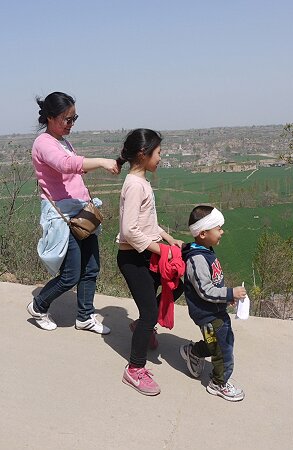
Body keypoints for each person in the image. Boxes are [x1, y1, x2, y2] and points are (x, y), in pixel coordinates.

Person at [27, 91, 119, 334]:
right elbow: (66, 164)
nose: (71, 124)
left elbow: (72, 170)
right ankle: (38, 305)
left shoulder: (63, 141)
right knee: (70, 275)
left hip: (81, 211)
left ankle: (85, 317)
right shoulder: (44, 143)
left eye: (74, 118)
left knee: (91, 268)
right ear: (50, 117)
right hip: (63, 216)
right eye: (67, 119)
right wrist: (100, 161)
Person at [116, 128, 184, 396]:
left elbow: (150, 225)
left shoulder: (141, 182)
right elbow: (130, 230)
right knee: (148, 312)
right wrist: (163, 251)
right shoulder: (134, 185)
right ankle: (134, 370)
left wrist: (170, 240)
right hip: (133, 258)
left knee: (176, 281)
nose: (161, 158)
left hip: (146, 253)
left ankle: (142, 326)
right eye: (158, 153)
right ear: (143, 155)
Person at [180, 205, 246, 401]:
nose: (222, 231)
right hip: (208, 316)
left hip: (214, 311)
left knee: (219, 342)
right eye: (218, 228)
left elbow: (213, 285)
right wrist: (229, 293)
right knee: (223, 351)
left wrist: (227, 297)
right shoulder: (198, 259)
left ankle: (194, 351)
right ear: (202, 233)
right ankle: (219, 383)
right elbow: (205, 290)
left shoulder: (205, 251)